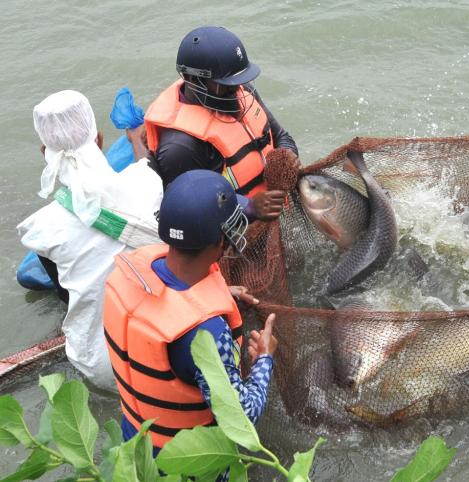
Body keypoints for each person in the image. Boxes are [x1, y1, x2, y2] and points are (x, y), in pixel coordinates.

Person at [103, 169, 278, 452]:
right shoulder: (207, 332)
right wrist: (265, 359)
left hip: (136, 448)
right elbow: (243, 418)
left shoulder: (127, 276)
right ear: (221, 241)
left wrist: (223, 294)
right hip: (185, 464)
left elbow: (164, 304)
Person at [17, 90, 163, 389]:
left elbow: (65, 295)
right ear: (98, 140)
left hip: (100, 368)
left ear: (44, 151)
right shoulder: (147, 185)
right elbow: (145, 166)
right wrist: (136, 138)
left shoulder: (43, 228)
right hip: (159, 357)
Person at [145, 26, 300, 221]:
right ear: (193, 79)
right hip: (237, 233)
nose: (236, 89)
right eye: (226, 84)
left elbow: (281, 136)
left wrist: (288, 156)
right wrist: (250, 209)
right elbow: (193, 210)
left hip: (274, 212)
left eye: (238, 80)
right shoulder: (180, 147)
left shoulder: (241, 92)